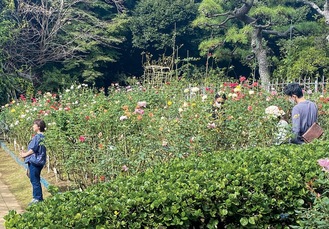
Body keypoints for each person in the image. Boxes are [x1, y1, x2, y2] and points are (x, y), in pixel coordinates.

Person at [20, 119, 47, 205]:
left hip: (35, 161)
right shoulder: (43, 137)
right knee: (34, 178)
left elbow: (33, 149)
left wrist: (24, 154)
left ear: (38, 127)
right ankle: (39, 198)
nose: (33, 126)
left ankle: (37, 198)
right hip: (39, 161)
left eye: (34, 125)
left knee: (34, 180)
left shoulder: (37, 137)